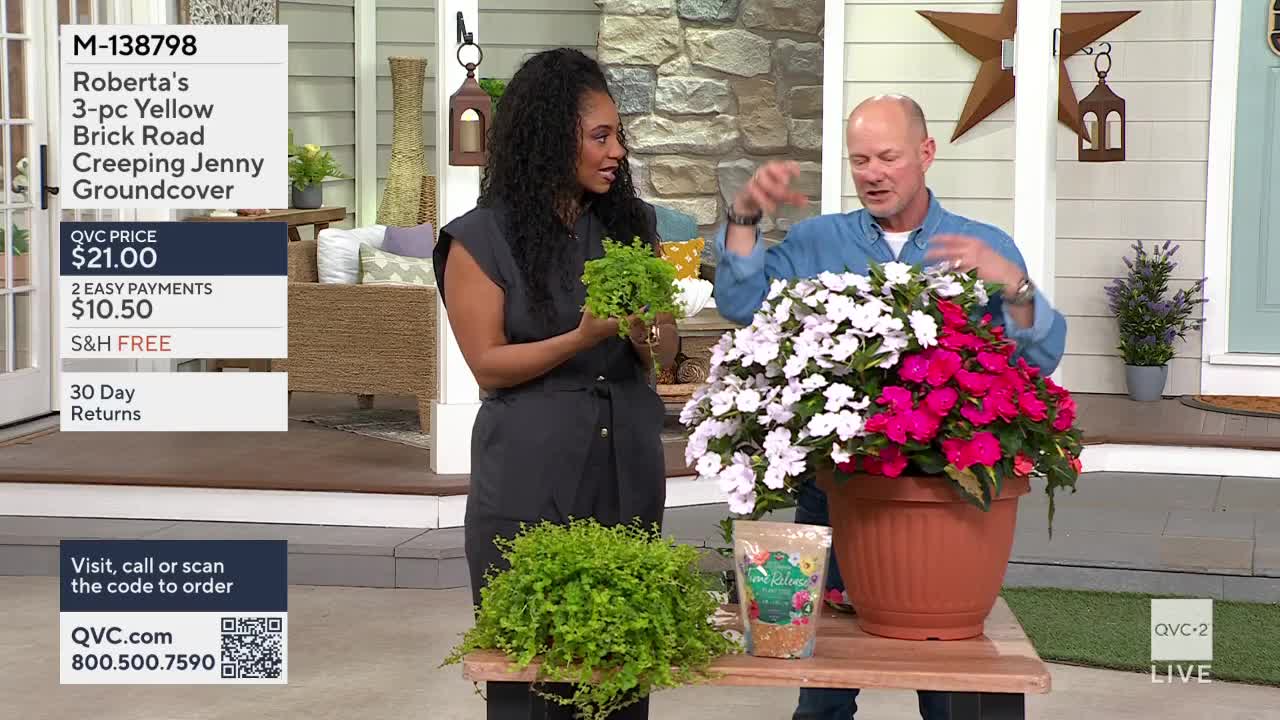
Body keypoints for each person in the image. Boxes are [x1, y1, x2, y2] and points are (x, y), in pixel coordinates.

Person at [710, 94, 1068, 720]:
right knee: (821, 683)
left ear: (926, 154)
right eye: (859, 160)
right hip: (838, 488)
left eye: (887, 157)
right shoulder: (819, 240)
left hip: (945, 496)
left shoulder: (982, 245)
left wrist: (1012, 284)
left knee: (954, 679)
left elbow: (1037, 357)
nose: (872, 172)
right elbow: (744, 306)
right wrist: (743, 220)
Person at [432, 47, 679, 720]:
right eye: (601, 136)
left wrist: (643, 333)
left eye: (618, 134)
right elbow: (486, 363)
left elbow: (665, 344)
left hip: (625, 473)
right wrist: (581, 336)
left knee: (622, 673)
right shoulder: (478, 240)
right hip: (529, 485)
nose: (617, 151)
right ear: (550, 139)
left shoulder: (634, 226)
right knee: (534, 681)